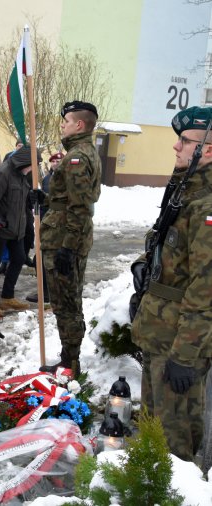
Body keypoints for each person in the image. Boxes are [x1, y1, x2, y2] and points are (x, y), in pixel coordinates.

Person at [130, 106, 212, 464]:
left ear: (208, 149)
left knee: (173, 445)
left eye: (184, 141)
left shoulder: (207, 203)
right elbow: (163, 242)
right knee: (152, 431)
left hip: (180, 343)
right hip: (161, 332)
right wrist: (143, 266)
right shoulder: (186, 191)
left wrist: (185, 355)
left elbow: (206, 288)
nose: (175, 148)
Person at [38, 101, 101, 377]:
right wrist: (44, 198)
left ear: (79, 125)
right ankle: (68, 360)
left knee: (67, 305)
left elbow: (80, 207)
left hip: (65, 239)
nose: (62, 126)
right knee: (66, 302)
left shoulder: (77, 157)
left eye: (66, 121)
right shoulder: (82, 152)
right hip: (64, 235)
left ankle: (70, 365)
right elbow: (68, 199)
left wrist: (67, 247)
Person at [0, 146, 36, 317]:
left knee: (19, 258)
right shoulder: (3, 172)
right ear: (25, 161)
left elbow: (23, 202)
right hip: (0, 228)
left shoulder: (23, 175)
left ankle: (7, 296)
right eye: (32, 165)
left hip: (16, 229)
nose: (33, 169)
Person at [26, 152, 62, 303]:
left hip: (57, 224)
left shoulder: (64, 179)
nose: (57, 163)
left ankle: (48, 293)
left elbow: (62, 204)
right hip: (47, 220)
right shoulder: (48, 178)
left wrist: (45, 201)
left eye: (60, 160)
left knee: (45, 259)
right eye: (54, 161)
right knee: (40, 259)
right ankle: (46, 291)